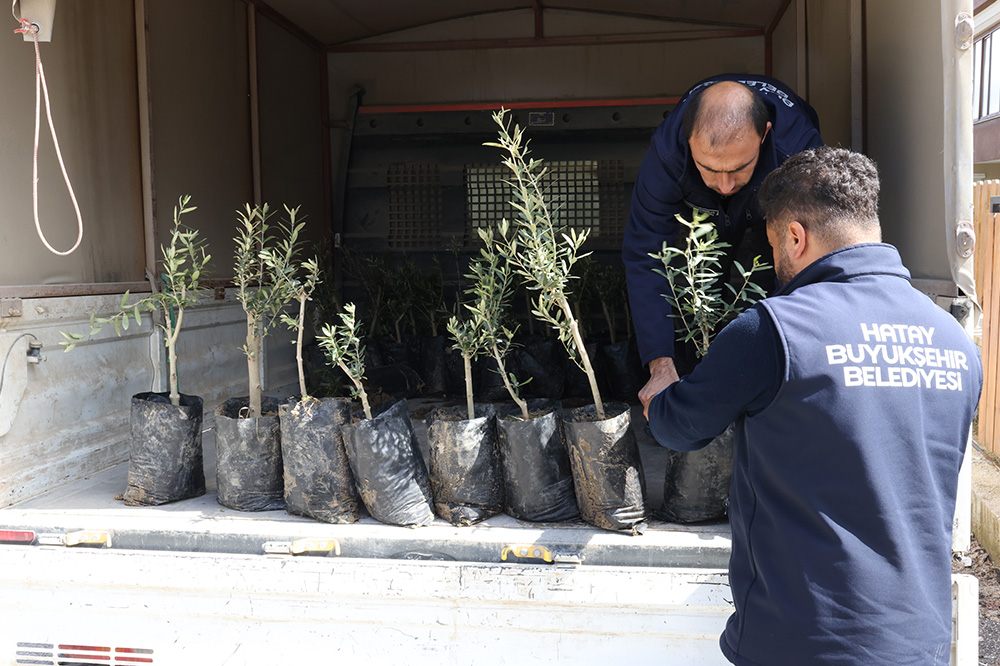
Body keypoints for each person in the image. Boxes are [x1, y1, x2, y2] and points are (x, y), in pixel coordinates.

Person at [646, 146, 983, 665]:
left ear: (796, 236)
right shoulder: (955, 343)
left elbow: (679, 426)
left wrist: (661, 389)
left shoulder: (776, 329)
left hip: (802, 643)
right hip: (921, 644)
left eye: (776, 244)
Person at [622, 74, 822, 407]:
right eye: (711, 169)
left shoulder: (798, 147)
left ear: (764, 135)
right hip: (701, 216)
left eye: (739, 168)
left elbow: (810, 255)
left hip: (769, 203)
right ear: (689, 141)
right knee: (696, 276)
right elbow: (646, 253)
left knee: (764, 273)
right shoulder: (667, 152)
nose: (726, 185)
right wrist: (659, 363)